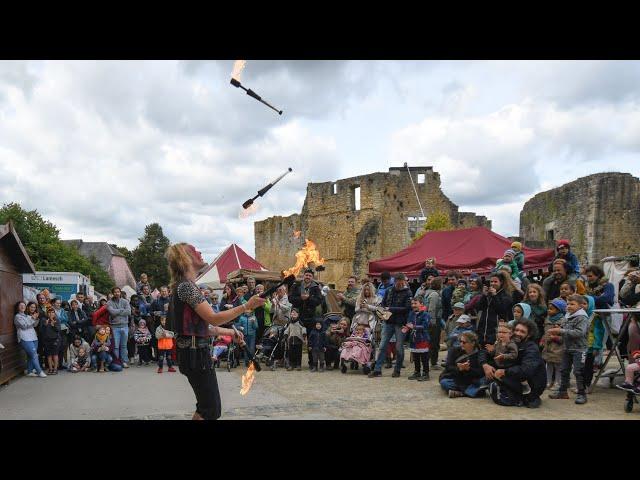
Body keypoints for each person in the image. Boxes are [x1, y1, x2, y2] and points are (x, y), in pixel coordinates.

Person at [165, 242, 264, 420]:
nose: (200, 251)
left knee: (207, 408)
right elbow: (214, 317)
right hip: (194, 354)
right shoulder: (187, 287)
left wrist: (231, 333)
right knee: (210, 409)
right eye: (195, 250)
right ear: (185, 258)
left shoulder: (183, 286)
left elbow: (204, 327)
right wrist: (246, 306)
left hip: (193, 353)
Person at [482, 319, 547, 408]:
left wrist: (504, 371)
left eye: (522, 331)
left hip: (532, 384)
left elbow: (526, 370)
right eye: (516, 330)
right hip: (517, 378)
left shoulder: (531, 348)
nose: (518, 333)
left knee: (498, 376)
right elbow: (483, 352)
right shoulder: (510, 341)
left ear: (529, 334)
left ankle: (529, 397)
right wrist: (485, 364)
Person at [547, 294, 590, 404]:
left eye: (572, 304)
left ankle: (582, 394)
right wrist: (558, 331)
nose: (569, 306)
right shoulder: (568, 316)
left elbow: (579, 333)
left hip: (579, 349)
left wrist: (560, 331)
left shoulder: (582, 317)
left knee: (578, 371)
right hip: (567, 348)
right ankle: (562, 392)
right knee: (564, 370)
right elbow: (565, 330)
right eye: (568, 304)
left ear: (580, 306)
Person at [369, 273, 412, 378]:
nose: (399, 284)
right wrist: (382, 311)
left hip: (400, 323)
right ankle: (377, 369)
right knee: (383, 346)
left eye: (401, 282)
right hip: (388, 321)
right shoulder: (389, 290)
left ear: (404, 281)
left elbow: (407, 308)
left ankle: (397, 370)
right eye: (397, 282)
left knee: (399, 347)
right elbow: (384, 304)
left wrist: (390, 309)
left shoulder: (408, 292)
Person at [289, 268, 323, 368]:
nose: (308, 277)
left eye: (310, 276)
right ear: (304, 276)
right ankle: (296, 363)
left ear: (312, 278)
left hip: (311, 317)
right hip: (299, 317)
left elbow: (319, 300)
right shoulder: (297, 286)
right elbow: (291, 298)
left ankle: (312, 363)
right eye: (306, 275)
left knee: (311, 341)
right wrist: (301, 298)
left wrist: (309, 298)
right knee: (297, 341)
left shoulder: (316, 288)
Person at [486, 323, 531, 394]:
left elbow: (514, 355)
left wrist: (504, 356)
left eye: (504, 332)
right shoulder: (497, 342)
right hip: (499, 364)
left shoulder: (511, 344)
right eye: (499, 332)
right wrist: (491, 351)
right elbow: (494, 353)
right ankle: (494, 387)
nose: (501, 334)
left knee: (517, 377)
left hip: (509, 365)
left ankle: (524, 386)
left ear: (510, 334)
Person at [439, 331, 486, 398]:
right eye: (460, 341)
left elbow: (480, 372)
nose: (461, 344)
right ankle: (471, 391)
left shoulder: (479, 354)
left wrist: (469, 369)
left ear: (472, 343)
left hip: (471, 379)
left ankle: (460, 393)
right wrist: (459, 368)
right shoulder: (454, 350)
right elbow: (448, 366)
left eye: (464, 342)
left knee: (484, 381)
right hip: (456, 378)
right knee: (445, 382)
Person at [476, 273, 514, 349]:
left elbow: (501, 310)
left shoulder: (506, 296)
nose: (493, 284)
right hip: (483, 331)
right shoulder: (488, 295)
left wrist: (495, 296)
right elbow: (479, 307)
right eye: (491, 282)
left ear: (501, 282)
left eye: (495, 282)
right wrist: (484, 295)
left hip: (496, 331)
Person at [14, 301, 47, 377]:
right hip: (24, 338)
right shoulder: (17, 316)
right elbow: (24, 326)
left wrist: (36, 318)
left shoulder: (27, 316)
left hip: (33, 337)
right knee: (34, 355)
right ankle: (39, 371)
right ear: (18, 307)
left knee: (30, 355)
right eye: (21, 305)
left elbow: (34, 325)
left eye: (24, 305)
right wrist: (32, 319)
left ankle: (29, 371)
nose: (23, 307)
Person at [541, 298, 566, 389]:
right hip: (548, 347)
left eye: (551, 309)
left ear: (559, 310)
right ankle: (548, 381)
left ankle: (557, 382)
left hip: (558, 348)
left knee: (558, 366)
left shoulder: (563, 321)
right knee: (549, 365)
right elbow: (545, 332)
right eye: (549, 308)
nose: (549, 310)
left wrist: (555, 338)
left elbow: (564, 336)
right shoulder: (548, 319)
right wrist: (543, 339)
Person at [406, 297, 431, 381]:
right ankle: (417, 372)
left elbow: (425, 326)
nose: (413, 305)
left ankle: (425, 373)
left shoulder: (425, 314)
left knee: (424, 357)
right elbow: (409, 323)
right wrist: (406, 328)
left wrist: (414, 327)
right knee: (415, 356)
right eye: (412, 303)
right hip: (414, 338)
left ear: (421, 304)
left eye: (415, 303)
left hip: (423, 338)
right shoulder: (411, 313)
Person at [107, 287, 132, 368]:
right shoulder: (109, 302)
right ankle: (117, 361)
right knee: (116, 346)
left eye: (118, 292)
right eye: (115, 292)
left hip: (124, 326)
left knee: (124, 346)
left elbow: (128, 311)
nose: (117, 293)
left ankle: (124, 361)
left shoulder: (125, 301)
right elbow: (112, 312)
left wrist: (117, 311)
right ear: (113, 293)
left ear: (120, 293)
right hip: (115, 327)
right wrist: (122, 310)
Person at [42, 308, 62, 375]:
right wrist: (45, 325)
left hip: (55, 339)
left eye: (52, 312)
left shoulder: (57, 320)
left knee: (55, 354)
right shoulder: (44, 320)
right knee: (49, 355)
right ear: (47, 313)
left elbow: (59, 330)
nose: (51, 314)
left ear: (54, 313)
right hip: (47, 340)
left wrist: (53, 325)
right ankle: (50, 368)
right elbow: (41, 331)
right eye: (49, 312)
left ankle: (55, 369)